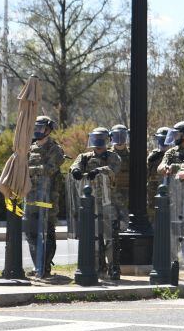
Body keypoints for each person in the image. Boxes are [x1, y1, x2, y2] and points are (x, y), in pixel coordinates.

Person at [69, 127, 123, 279]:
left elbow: (113, 169)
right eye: (95, 139)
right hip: (90, 203)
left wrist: (99, 170)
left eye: (101, 140)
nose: (98, 143)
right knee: (94, 238)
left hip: (108, 203)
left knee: (110, 238)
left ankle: (114, 268)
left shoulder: (113, 156)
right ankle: (98, 267)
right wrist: (75, 170)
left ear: (107, 140)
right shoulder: (84, 157)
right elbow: (74, 166)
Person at [26, 116, 65, 276]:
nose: (37, 131)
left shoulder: (55, 149)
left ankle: (45, 265)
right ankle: (37, 265)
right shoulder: (29, 148)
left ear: (49, 130)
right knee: (30, 232)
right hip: (30, 196)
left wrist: (29, 170)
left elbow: (49, 169)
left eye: (41, 128)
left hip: (48, 197)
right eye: (36, 127)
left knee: (47, 230)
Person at [146, 126, 172, 220]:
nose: (163, 142)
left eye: (165, 139)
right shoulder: (152, 156)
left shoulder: (175, 154)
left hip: (171, 190)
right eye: (161, 139)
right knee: (153, 217)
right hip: (153, 192)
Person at [110, 124, 131, 225]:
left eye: (122, 136)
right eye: (116, 136)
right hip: (110, 194)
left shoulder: (133, 154)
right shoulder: (107, 154)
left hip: (128, 194)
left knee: (126, 222)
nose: (119, 140)